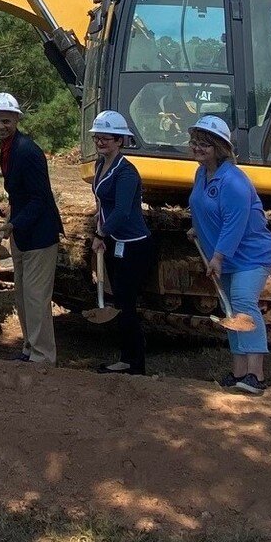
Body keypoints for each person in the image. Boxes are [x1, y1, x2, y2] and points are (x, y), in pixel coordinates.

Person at [187, 115, 271, 396]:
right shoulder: (202, 174)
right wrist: (197, 227)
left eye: (205, 144)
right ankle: (239, 372)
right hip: (224, 254)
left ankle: (256, 375)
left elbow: (235, 222)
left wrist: (218, 257)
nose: (198, 148)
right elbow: (207, 207)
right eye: (195, 143)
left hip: (249, 255)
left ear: (219, 148)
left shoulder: (234, 180)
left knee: (242, 303)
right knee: (229, 309)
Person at [0, 92, 62, 365]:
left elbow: (40, 198)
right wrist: (11, 218)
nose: (0, 127)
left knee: (36, 297)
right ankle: (30, 349)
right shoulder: (7, 149)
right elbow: (20, 195)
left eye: (5, 121)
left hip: (40, 235)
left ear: (17, 119)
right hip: (22, 232)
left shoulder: (27, 151)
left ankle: (43, 357)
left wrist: (13, 223)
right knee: (21, 295)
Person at [89, 109, 152, 375]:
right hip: (115, 240)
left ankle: (134, 362)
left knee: (126, 303)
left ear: (120, 141)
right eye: (98, 138)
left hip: (134, 244)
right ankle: (126, 356)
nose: (101, 142)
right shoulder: (99, 165)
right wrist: (101, 231)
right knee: (120, 301)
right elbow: (102, 204)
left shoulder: (126, 172)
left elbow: (123, 210)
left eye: (107, 138)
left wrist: (101, 235)